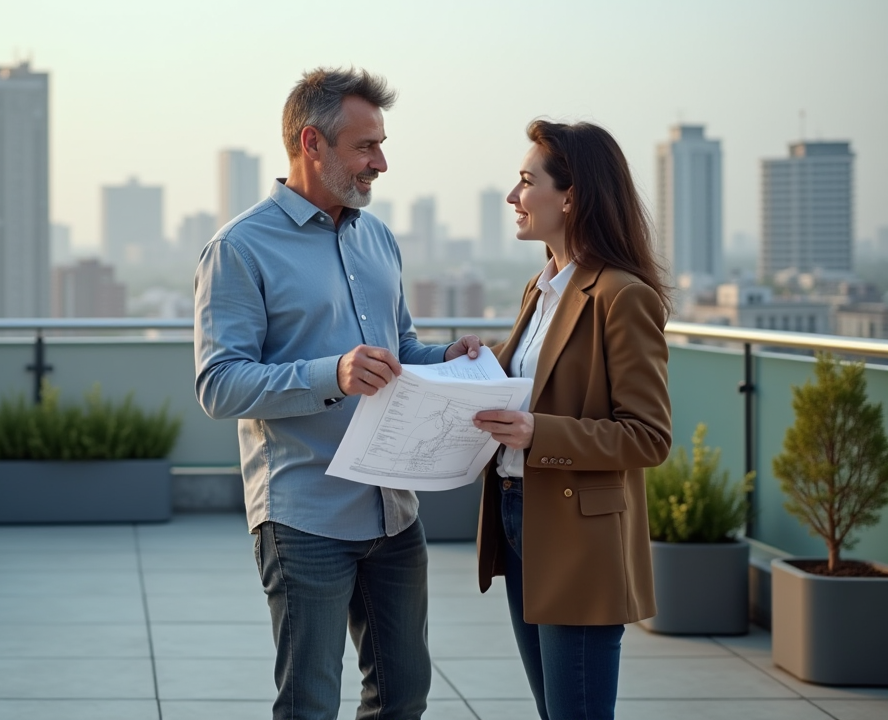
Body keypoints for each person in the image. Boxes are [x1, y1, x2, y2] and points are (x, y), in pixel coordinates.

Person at [194, 66, 482, 720]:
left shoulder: (377, 238)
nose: (381, 162)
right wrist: (334, 374)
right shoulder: (238, 248)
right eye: (365, 146)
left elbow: (398, 350)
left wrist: (448, 358)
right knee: (310, 705)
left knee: (403, 697)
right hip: (305, 516)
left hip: (393, 510)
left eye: (381, 145)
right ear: (311, 143)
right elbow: (219, 384)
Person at [471, 120, 672, 720]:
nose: (513, 196)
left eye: (526, 181)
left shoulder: (622, 296)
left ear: (570, 197)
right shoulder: (540, 290)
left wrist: (539, 433)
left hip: (580, 539)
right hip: (518, 514)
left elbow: (649, 437)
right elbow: (533, 385)